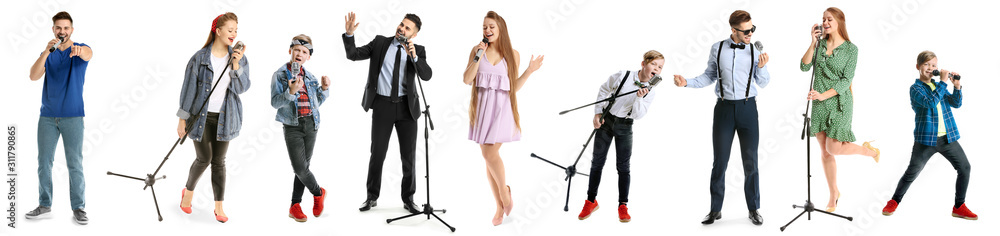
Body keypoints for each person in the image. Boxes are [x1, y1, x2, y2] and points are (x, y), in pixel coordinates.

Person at [673, 10, 769, 226]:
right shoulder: (717, 48)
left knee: (751, 162)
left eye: (753, 29)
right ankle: (715, 210)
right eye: (746, 30)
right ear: (733, 30)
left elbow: (762, 82)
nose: (751, 33)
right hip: (724, 109)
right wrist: (686, 82)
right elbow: (708, 76)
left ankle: (753, 208)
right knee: (720, 162)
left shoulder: (754, 50)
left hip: (748, 109)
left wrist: (762, 68)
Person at [343, 12, 432, 214]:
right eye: (402, 24)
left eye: (408, 28)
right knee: (378, 153)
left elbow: (426, 75)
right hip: (382, 105)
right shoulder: (380, 43)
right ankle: (371, 197)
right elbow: (353, 55)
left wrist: (414, 57)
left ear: (414, 35)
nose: (402, 29)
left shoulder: (418, 50)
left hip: (407, 108)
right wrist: (349, 35)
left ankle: (409, 199)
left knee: (408, 157)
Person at [463, 11, 544, 226]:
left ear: (500, 29)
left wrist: (529, 71)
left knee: (490, 154)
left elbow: (512, 88)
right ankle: (499, 204)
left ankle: (505, 194)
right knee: (487, 157)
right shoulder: (477, 50)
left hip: (502, 110)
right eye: (484, 27)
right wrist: (478, 56)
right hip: (481, 110)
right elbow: (466, 79)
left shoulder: (512, 54)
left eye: (491, 27)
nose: (487, 31)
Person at [799, 7, 879, 213]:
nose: (825, 22)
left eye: (829, 19)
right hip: (818, 103)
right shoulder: (820, 44)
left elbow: (846, 81)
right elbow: (804, 66)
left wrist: (823, 95)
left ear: (839, 22)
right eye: (823, 19)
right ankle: (834, 193)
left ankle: (869, 151)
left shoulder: (852, 50)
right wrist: (812, 43)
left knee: (833, 148)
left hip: (839, 103)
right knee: (825, 152)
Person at [881, 51, 976, 220]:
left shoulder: (939, 86)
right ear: (918, 67)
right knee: (912, 172)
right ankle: (894, 200)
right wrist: (943, 83)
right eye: (926, 64)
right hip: (925, 140)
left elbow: (956, 103)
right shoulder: (916, 88)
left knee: (965, 167)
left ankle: (959, 206)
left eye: (934, 65)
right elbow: (930, 102)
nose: (930, 68)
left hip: (948, 138)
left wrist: (957, 85)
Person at [176, 12, 250, 223]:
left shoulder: (239, 58)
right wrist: (182, 119)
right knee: (204, 158)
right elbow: (188, 90)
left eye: (236, 30)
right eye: (230, 30)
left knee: (219, 162)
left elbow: (242, 88)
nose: (234, 34)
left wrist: (236, 65)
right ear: (217, 31)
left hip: (226, 118)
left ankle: (219, 207)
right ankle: (187, 194)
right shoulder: (199, 58)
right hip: (201, 118)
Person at [25, 11, 93, 225]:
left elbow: (89, 54)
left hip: (72, 116)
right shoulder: (50, 53)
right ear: (53, 29)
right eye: (58, 28)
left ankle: (79, 207)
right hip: (47, 116)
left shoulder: (78, 49)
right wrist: (46, 52)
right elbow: (33, 76)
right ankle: (44, 205)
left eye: (66, 28)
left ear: (71, 30)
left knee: (75, 163)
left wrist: (81, 50)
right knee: (44, 162)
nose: (62, 31)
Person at [577, 50, 662, 223]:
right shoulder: (623, 75)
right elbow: (604, 89)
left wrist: (639, 98)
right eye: (654, 64)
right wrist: (597, 113)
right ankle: (591, 201)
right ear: (643, 64)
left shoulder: (650, 91)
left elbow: (639, 115)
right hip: (606, 122)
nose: (657, 68)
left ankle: (623, 205)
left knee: (623, 166)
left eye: (660, 67)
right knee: (597, 162)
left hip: (625, 126)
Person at [271, 34, 331, 222]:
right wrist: (290, 92)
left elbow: (316, 102)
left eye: (304, 52)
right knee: (300, 168)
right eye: (297, 49)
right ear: (290, 51)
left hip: (312, 124)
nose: (299, 53)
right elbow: (274, 102)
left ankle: (294, 205)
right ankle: (318, 192)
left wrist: (324, 89)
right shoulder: (280, 75)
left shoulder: (310, 77)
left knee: (303, 168)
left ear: (308, 57)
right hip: (293, 126)